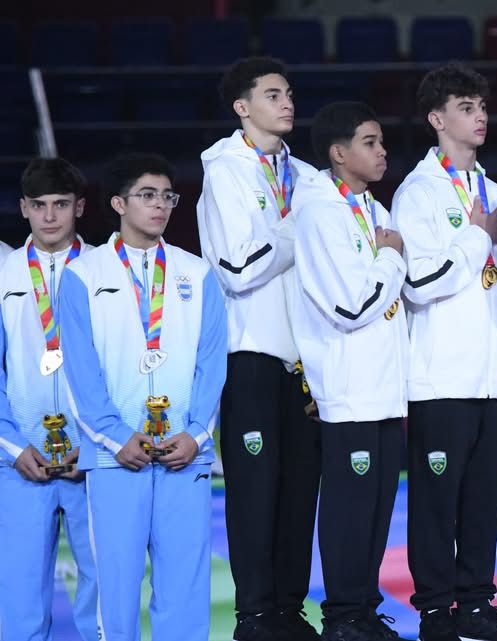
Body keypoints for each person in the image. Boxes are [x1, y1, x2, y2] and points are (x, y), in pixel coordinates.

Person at [59, 152, 227, 641]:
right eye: (147, 195)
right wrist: (113, 437)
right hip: (115, 459)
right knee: (116, 583)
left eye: (167, 197)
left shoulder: (196, 273)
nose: (160, 206)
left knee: (185, 585)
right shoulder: (83, 275)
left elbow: (211, 363)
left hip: (184, 453)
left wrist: (196, 433)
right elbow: (80, 369)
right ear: (118, 203)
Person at [391, 62, 497, 641]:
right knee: (437, 500)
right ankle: (435, 610)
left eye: (482, 107)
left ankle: (476, 604)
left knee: (485, 499)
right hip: (441, 376)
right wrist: (475, 235)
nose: (480, 117)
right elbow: (417, 282)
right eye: (466, 107)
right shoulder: (416, 192)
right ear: (436, 118)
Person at [197, 56, 323, 641]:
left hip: (306, 356)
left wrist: (285, 230)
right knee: (256, 492)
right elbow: (240, 268)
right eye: (273, 94)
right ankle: (253, 616)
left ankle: (289, 611)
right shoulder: (226, 170)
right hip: (250, 352)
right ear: (242, 108)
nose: (287, 101)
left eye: (290, 91)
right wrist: (298, 229)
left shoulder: (304, 174)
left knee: (300, 491)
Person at [289, 101, 407, 641]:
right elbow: (350, 306)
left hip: (386, 386)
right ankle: (340, 617)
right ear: (338, 154)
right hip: (348, 388)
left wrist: (387, 255)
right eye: (369, 142)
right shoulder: (318, 213)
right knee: (349, 511)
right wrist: (391, 260)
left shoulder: (375, 211)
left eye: (381, 142)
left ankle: (362, 610)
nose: (382, 151)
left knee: (378, 511)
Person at [0, 157, 97, 641]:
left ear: (80, 206)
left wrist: (101, 443)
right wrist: (13, 448)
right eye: (39, 206)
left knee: (103, 590)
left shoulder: (107, 270)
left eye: (61, 204)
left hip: (95, 457)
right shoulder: (3, 274)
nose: (51, 216)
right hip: (19, 458)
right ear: (23, 209)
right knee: (18, 594)